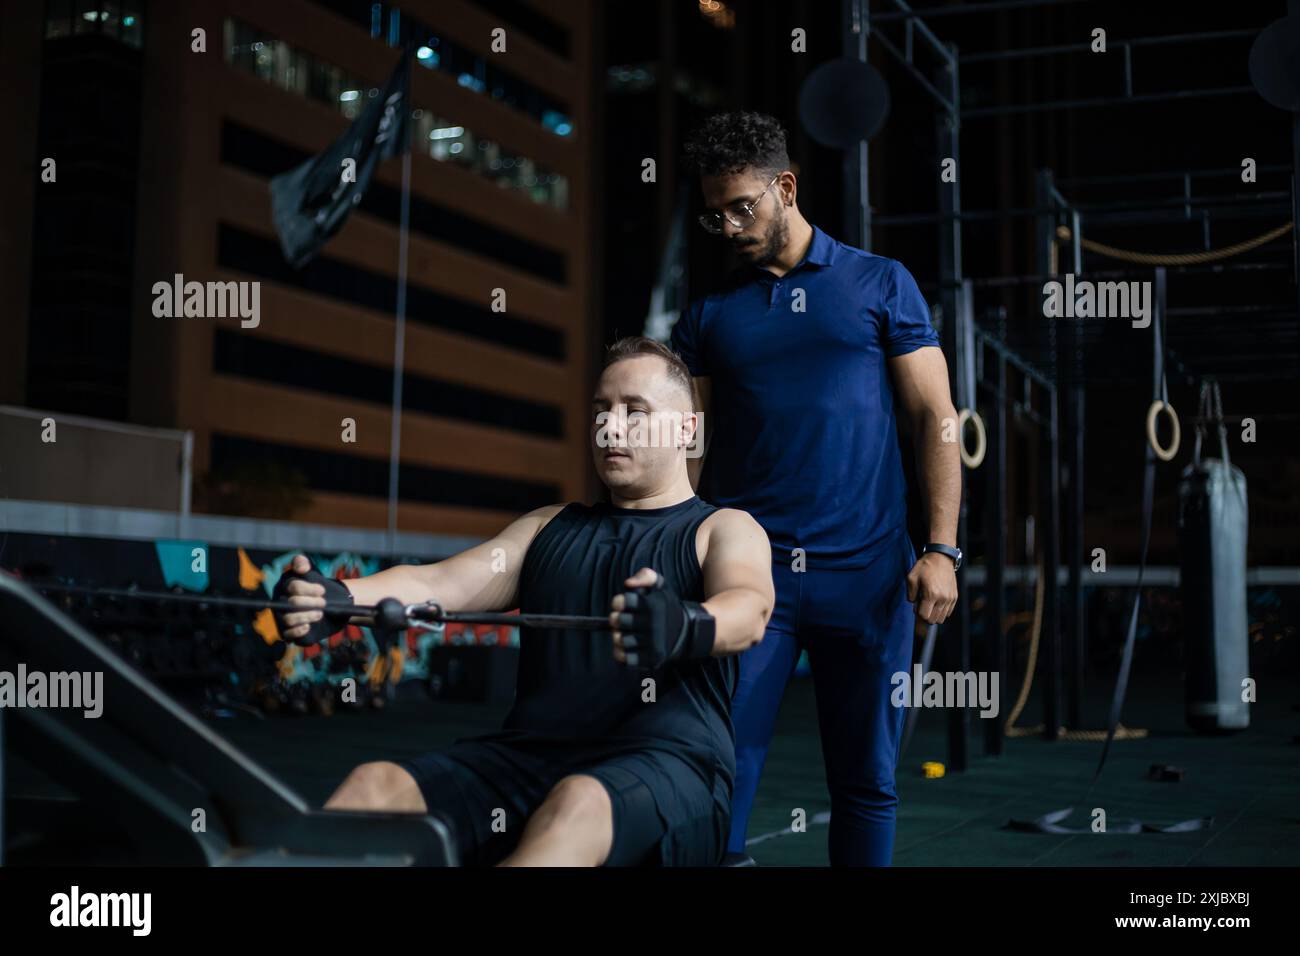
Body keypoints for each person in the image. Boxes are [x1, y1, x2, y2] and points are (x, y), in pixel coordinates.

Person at [272, 336, 774, 867]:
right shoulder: (547, 527)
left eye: (636, 411)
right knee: (373, 787)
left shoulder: (722, 529)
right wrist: (339, 597)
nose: (612, 427)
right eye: (602, 411)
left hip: (669, 769)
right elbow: (441, 584)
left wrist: (684, 622)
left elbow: (750, 608)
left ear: (687, 431)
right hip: (531, 758)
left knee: (577, 803)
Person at [672, 111, 962, 866]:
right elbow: (690, 446)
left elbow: (935, 416)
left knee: (867, 781)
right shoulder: (708, 313)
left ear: (786, 187)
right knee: (717, 771)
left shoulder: (879, 282)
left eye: (743, 205)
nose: (729, 224)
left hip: (868, 577)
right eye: (714, 213)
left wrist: (942, 548)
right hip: (748, 580)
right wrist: (675, 552)